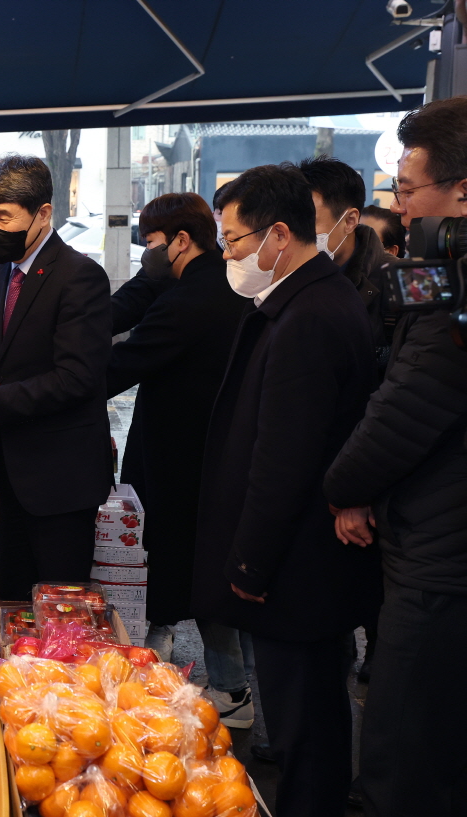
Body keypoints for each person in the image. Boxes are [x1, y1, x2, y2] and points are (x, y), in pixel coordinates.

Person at [194, 163, 379, 817]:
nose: (229, 255)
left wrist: (249, 563)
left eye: (235, 240)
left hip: (296, 564)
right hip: (302, 560)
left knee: (307, 724)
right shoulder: (305, 298)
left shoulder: (310, 314)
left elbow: (284, 458)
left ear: (279, 234)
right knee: (313, 714)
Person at [323, 97, 467, 817]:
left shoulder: (454, 298)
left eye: (408, 190)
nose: (400, 207)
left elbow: (404, 408)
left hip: (441, 561)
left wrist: (343, 484)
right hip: (439, 545)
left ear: (462, 192)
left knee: (404, 755)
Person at [104, 194, 254, 724]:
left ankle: (187, 689)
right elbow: (128, 306)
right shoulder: (222, 284)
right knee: (213, 571)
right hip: (218, 450)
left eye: (150, 244)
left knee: (177, 567)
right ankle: (237, 688)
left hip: (181, 457)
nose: (147, 254)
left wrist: (53, 383)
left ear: (181, 240)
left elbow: (119, 365)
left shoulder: (189, 299)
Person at [0, 155, 112, 601]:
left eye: (4, 217)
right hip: (12, 472)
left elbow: (77, 377)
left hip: (63, 476)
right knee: (15, 600)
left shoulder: (80, 277)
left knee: (61, 604)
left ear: (43, 213)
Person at [297, 156, 392, 370]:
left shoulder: (393, 280)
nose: (297, 234)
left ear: (350, 221)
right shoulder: (285, 275)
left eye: (309, 222)